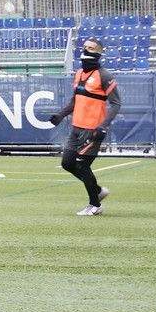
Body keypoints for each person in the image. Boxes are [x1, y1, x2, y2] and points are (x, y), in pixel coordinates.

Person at [46, 37, 119, 215]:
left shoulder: (105, 76)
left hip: (93, 130)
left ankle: (95, 205)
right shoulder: (79, 73)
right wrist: (61, 115)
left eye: (91, 48)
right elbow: (75, 100)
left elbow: (116, 104)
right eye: (85, 47)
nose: (86, 50)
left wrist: (103, 126)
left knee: (82, 165)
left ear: (99, 53)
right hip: (76, 128)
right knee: (67, 163)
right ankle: (98, 191)